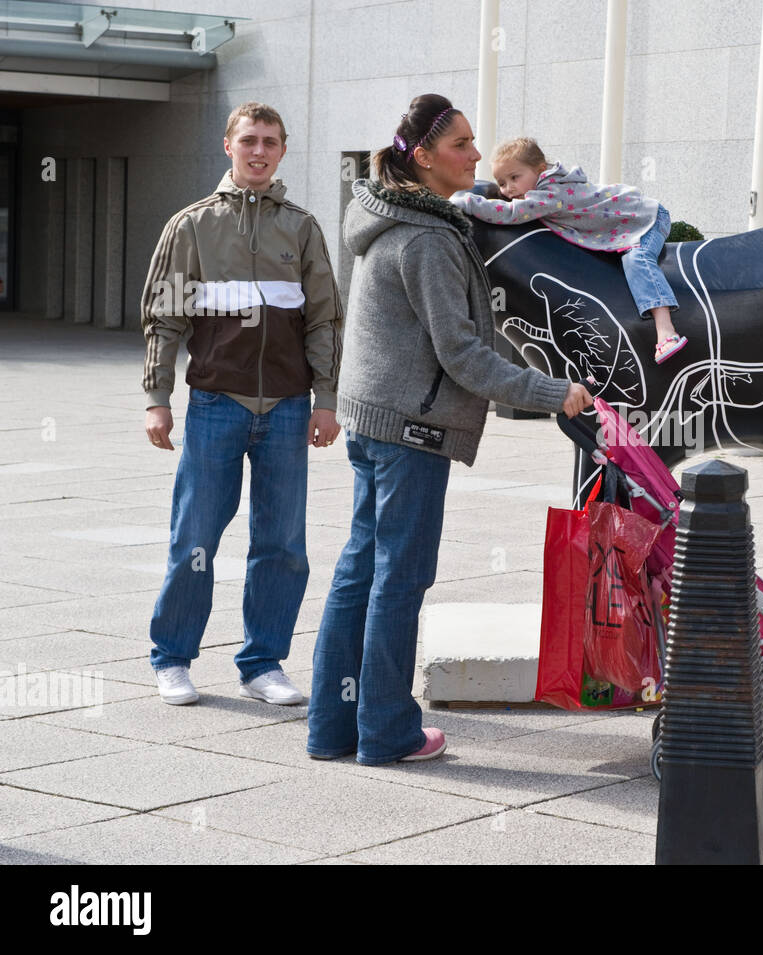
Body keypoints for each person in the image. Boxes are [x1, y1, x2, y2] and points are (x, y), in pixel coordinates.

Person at [306, 94, 593, 765]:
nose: (475, 155)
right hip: (412, 429)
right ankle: (387, 731)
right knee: (398, 580)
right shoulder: (429, 239)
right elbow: (461, 354)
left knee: (360, 572)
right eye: (461, 144)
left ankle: (332, 726)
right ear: (425, 157)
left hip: (375, 420)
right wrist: (555, 391)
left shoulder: (389, 216)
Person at [141, 101, 344, 707]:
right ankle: (172, 658)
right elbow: (164, 315)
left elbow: (325, 319)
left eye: (271, 142)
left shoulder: (302, 227)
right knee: (196, 537)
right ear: (228, 146)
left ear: (283, 151)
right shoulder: (191, 226)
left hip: (286, 408)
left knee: (283, 545)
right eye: (249, 140)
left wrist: (325, 399)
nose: (259, 151)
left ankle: (263, 664)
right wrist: (157, 398)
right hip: (214, 405)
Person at [452, 137, 688, 365]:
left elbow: (511, 212)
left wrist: (466, 203)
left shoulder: (552, 193)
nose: (508, 189)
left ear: (540, 169)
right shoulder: (543, 192)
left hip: (644, 218)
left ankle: (666, 331)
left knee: (638, 260)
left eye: (515, 177)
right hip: (622, 226)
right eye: (501, 183)